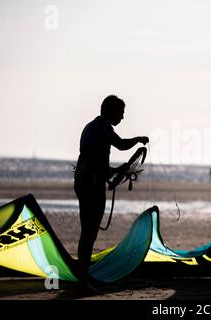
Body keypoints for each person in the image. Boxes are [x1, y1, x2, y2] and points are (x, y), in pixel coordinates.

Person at [74, 95, 148, 289]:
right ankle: (83, 281)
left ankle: (83, 277)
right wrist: (139, 139)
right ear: (110, 110)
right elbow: (122, 144)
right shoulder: (103, 127)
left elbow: (95, 162)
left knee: (88, 232)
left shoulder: (91, 127)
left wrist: (116, 171)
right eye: (121, 113)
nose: (122, 118)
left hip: (84, 182)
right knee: (89, 233)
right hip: (90, 185)